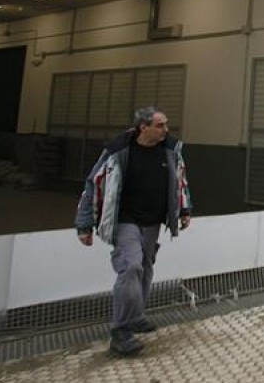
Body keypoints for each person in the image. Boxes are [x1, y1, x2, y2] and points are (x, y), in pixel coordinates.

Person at [75, 106, 193, 356]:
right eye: (160, 125)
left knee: (146, 267)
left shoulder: (171, 151)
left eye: (166, 124)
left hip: (153, 222)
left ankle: (137, 315)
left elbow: (180, 181)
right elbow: (92, 185)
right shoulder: (118, 152)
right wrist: (84, 223)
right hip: (125, 221)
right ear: (143, 127)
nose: (166, 130)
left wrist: (184, 209)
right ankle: (121, 332)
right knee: (131, 267)